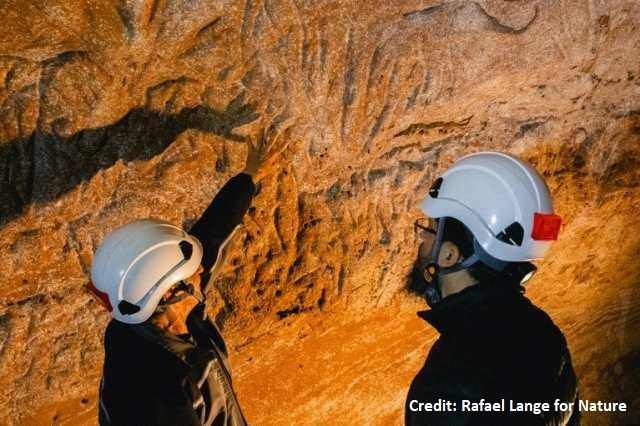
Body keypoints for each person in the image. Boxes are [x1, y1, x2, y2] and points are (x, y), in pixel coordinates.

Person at [87, 129, 285, 426]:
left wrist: (249, 176)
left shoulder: (155, 309)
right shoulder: (150, 392)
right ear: (169, 292)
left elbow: (212, 235)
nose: (202, 270)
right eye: (193, 272)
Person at [405, 152, 579, 425]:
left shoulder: (446, 384)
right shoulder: (544, 332)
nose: (423, 240)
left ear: (449, 255)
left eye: (431, 230)